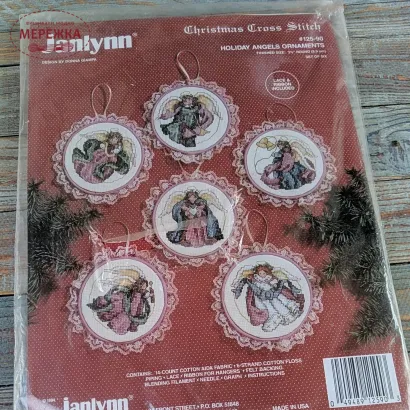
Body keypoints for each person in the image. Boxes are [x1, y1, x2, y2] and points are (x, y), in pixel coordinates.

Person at [232, 263, 304, 332]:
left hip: (272, 293)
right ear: (257, 274)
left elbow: (275, 284)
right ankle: (274, 317)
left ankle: (289, 313)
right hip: (261, 295)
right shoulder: (255, 280)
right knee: (267, 305)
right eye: (260, 273)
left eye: (263, 273)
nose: (262, 275)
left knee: (278, 302)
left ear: (266, 273)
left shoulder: (269, 278)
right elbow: (250, 284)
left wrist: (276, 285)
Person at [88, 276, 154, 336]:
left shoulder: (142, 292)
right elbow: (134, 303)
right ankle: (104, 310)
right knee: (119, 309)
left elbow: (144, 297)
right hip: (129, 304)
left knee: (124, 315)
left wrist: (149, 295)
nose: (144, 287)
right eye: (143, 285)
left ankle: (115, 323)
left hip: (133, 305)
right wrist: (132, 312)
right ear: (140, 284)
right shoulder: (137, 293)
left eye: (145, 285)